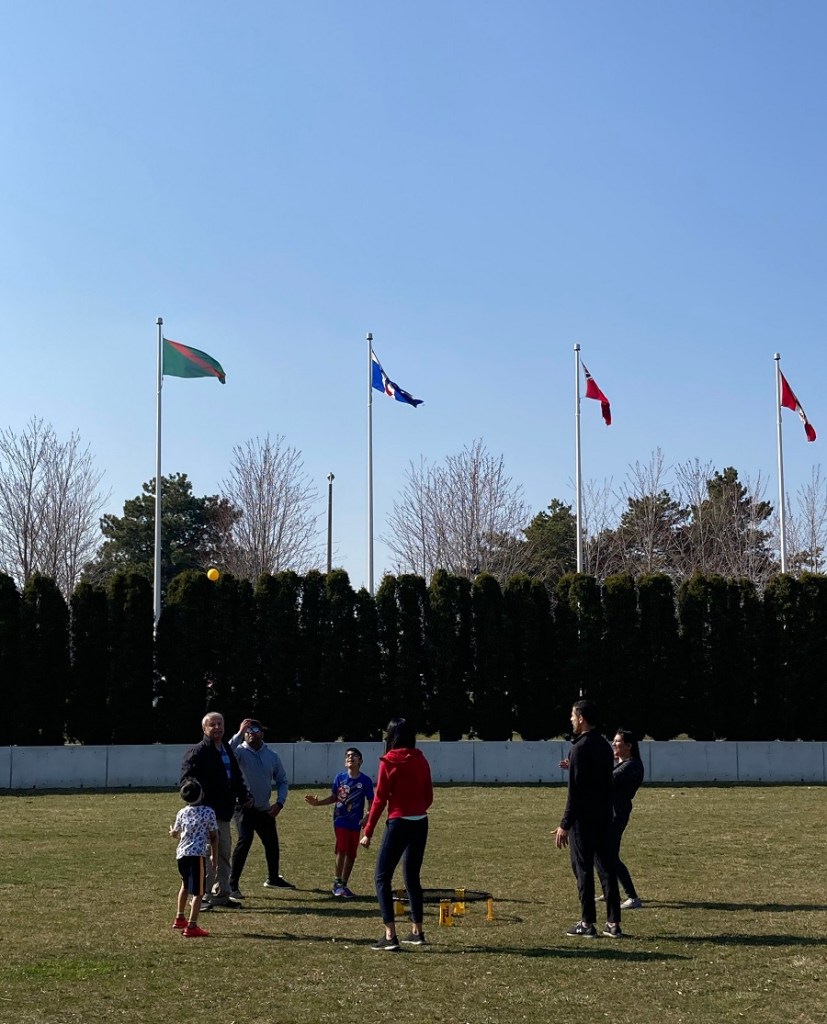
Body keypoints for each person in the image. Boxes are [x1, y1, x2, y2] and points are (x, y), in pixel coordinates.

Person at [360, 718, 433, 951]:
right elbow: (428, 794)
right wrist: (418, 810)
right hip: (420, 821)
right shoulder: (421, 759)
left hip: (399, 822)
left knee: (382, 876)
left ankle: (390, 935)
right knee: (412, 876)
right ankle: (417, 931)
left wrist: (368, 831)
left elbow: (380, 799)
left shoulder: (388, 762)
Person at [554, 699, 622, 938]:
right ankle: (613, 922)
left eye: (573, 716)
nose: (571, 720)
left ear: (581, 718)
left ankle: (587, 922)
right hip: (604, 816)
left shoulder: (578, 748)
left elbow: (576, 792)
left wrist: (565, 824)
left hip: (583, 821)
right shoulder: (604, 746)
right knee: (606, 869)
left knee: (583, 869)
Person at [180, 712, 252, 909]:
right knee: (205, 857)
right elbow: (186, 781)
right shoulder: (197, 752)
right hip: (204, 815)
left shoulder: (227, 749)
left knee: (223, 855)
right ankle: (200, 898)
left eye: (220, 724)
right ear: (205, 728)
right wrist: (197, 799)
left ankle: (221, 896)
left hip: (223, 813)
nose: (217, 728)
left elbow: (235, 777)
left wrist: (244, 795)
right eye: (212, 724)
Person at [228, 718, 295, 894]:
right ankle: (232, 885)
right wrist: (239, 733)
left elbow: (282, 780)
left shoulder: (271, 756)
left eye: (255, 729)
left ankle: (273, 878)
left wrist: (280, 802)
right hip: (243, 807)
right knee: (245, 841)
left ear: (262, 733)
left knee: (272, 843)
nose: (251, 733)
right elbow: (225, 752)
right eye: (248, 730)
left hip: (264, 808)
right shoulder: (238, 752)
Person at [305, 747, 374, 897]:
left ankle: (343, 884)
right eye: (348, 756)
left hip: (356, 823)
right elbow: (334, 797)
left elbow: (372, 802)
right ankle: (337, 883)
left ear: (360, 761)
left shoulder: (365, 781)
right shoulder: (339, 778)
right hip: (340, 820)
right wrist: (318, 803)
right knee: (341, 849)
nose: (350, 758)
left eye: (354, 755)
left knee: (351, 853)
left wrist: (367, 817)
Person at [596, 729, 644, 910]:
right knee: (599, 851)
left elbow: (605, 780)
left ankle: (633, 897)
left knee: (610, 855)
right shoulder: (620, 763)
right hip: (607, 812)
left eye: (617, 742)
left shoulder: (631, 766)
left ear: (629, 746)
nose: (613, 744)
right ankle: (609, 888)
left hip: (617, 813)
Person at [170, 780, 218, 938]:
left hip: (181, 854)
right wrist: (214, 857)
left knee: (184, 884)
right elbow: (214, 837)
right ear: (202, 794)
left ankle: (180, 917)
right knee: (198, 892)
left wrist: (172, 833)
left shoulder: (182, 812)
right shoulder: (208, 812)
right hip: (196, 854)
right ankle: (192, 926)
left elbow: (175, 833)